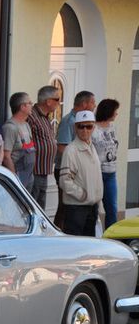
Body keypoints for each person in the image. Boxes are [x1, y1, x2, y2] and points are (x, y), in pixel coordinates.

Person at [55, 91, 96, 228]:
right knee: (65, 208)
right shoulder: (69, 121)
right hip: (67, 170)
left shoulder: (85, 123)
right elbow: (62, 147)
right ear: (84, 104)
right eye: (92, 102)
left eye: (89, 127)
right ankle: (59, 237)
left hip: (80, 173)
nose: (94, 105)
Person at [59, 110, 102, 237]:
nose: (85, 130)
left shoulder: (91, 147)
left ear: (93, 127)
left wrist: (96, 196)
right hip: (76, 207)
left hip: (91, 206)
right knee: (75, 246)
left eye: (88, 126)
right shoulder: (71, 150)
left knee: (89, 246)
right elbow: (65, 181)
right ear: (75, 128)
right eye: (81, 126)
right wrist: (83, 195)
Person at [26, 85, 61, 209]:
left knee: (40, 207)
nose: (59, 103)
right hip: (34, 172)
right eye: (57, 99)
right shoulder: (31, 116)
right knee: (33, 207)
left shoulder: (45, 117)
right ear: (48, 101)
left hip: (44, 171)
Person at [92, 98, 120, 229]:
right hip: (97, 173)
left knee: (112, 208)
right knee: (94, 208)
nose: (116, 114)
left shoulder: (112, 127)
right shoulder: (93, 129)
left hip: (111, 173)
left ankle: (111, 238)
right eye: (115, 111)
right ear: (108, 111)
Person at [3, 92, 36, 192]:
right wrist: (14, 179)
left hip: (28, 177)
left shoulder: (26, 125)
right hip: (17, 177)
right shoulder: (10, 127)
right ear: (22, 107)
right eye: (30, 103)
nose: (32, 105)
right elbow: (6, 156)